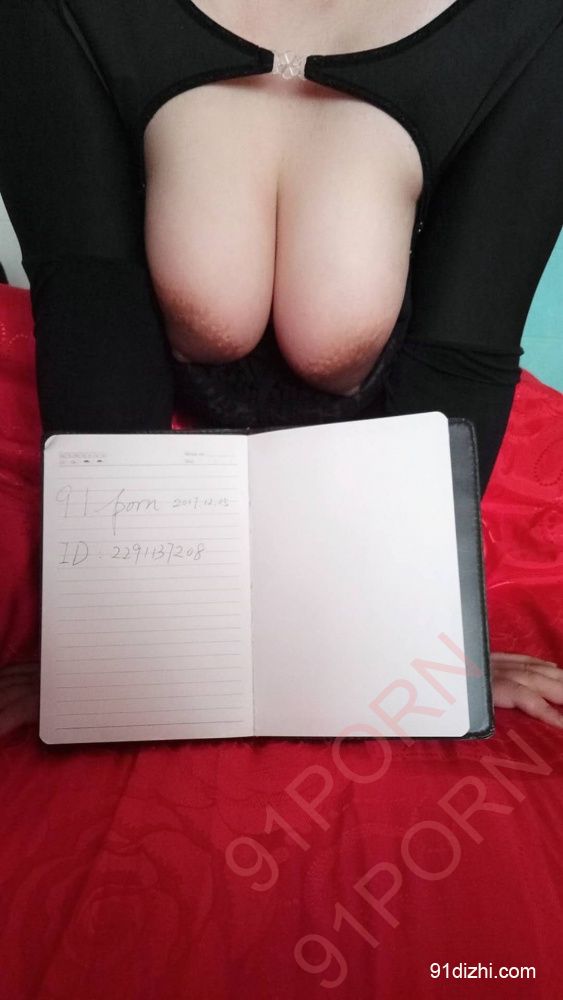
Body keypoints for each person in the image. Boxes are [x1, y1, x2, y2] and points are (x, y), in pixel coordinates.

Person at [1, 0, 563, 732]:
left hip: (401, 450)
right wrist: (94, 644)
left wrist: (429, 628)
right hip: (141, 443)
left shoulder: (532, 25)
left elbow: (463, 350)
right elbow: (92, 318)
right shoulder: (50, 11)